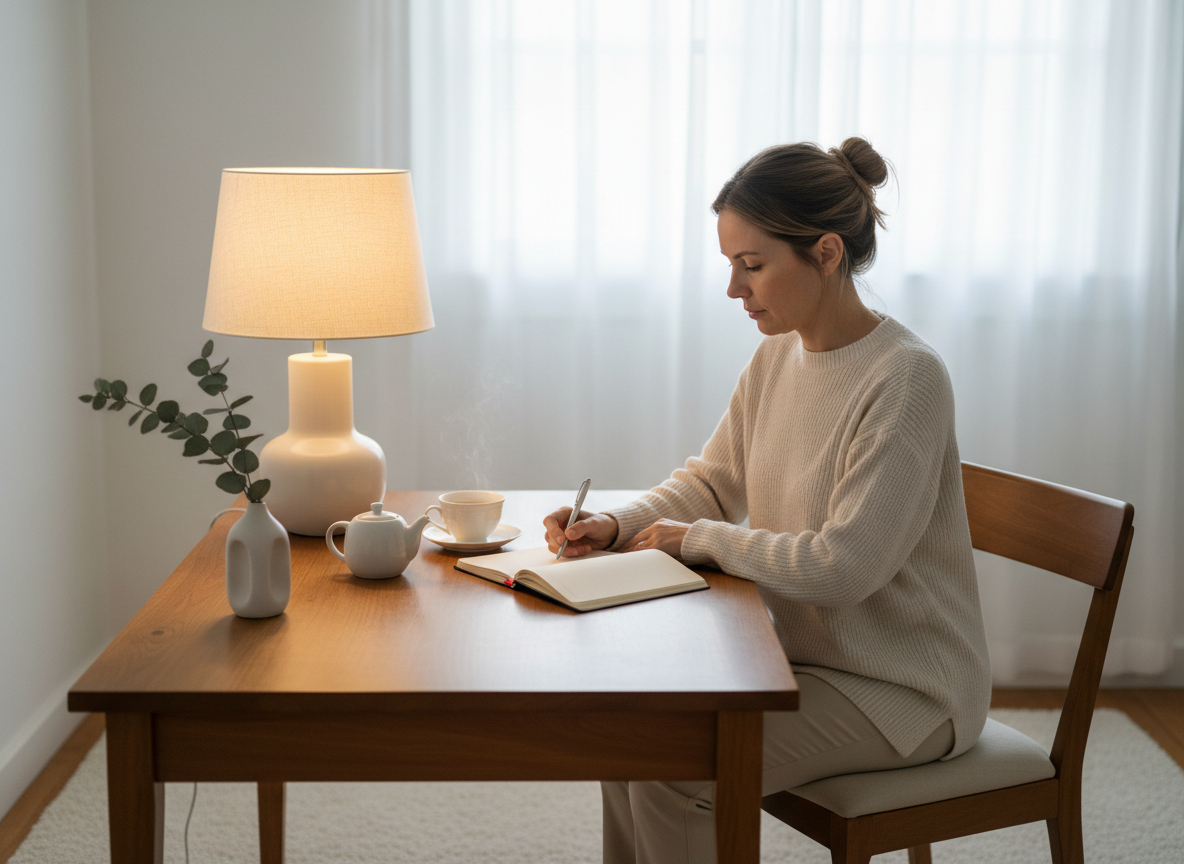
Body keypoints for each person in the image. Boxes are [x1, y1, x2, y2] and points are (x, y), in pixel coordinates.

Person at [542, 138, 992, 864]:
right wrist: (618, 524)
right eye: (730, 266)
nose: (734, 289)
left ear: (825, 253)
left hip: (904, 688)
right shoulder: (776, 354)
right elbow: (714, 483)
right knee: (629, 738)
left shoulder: (905, 380)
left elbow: (845, 567)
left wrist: (698, 539)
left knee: (675, 774)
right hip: (801, 663)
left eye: (751, 266)